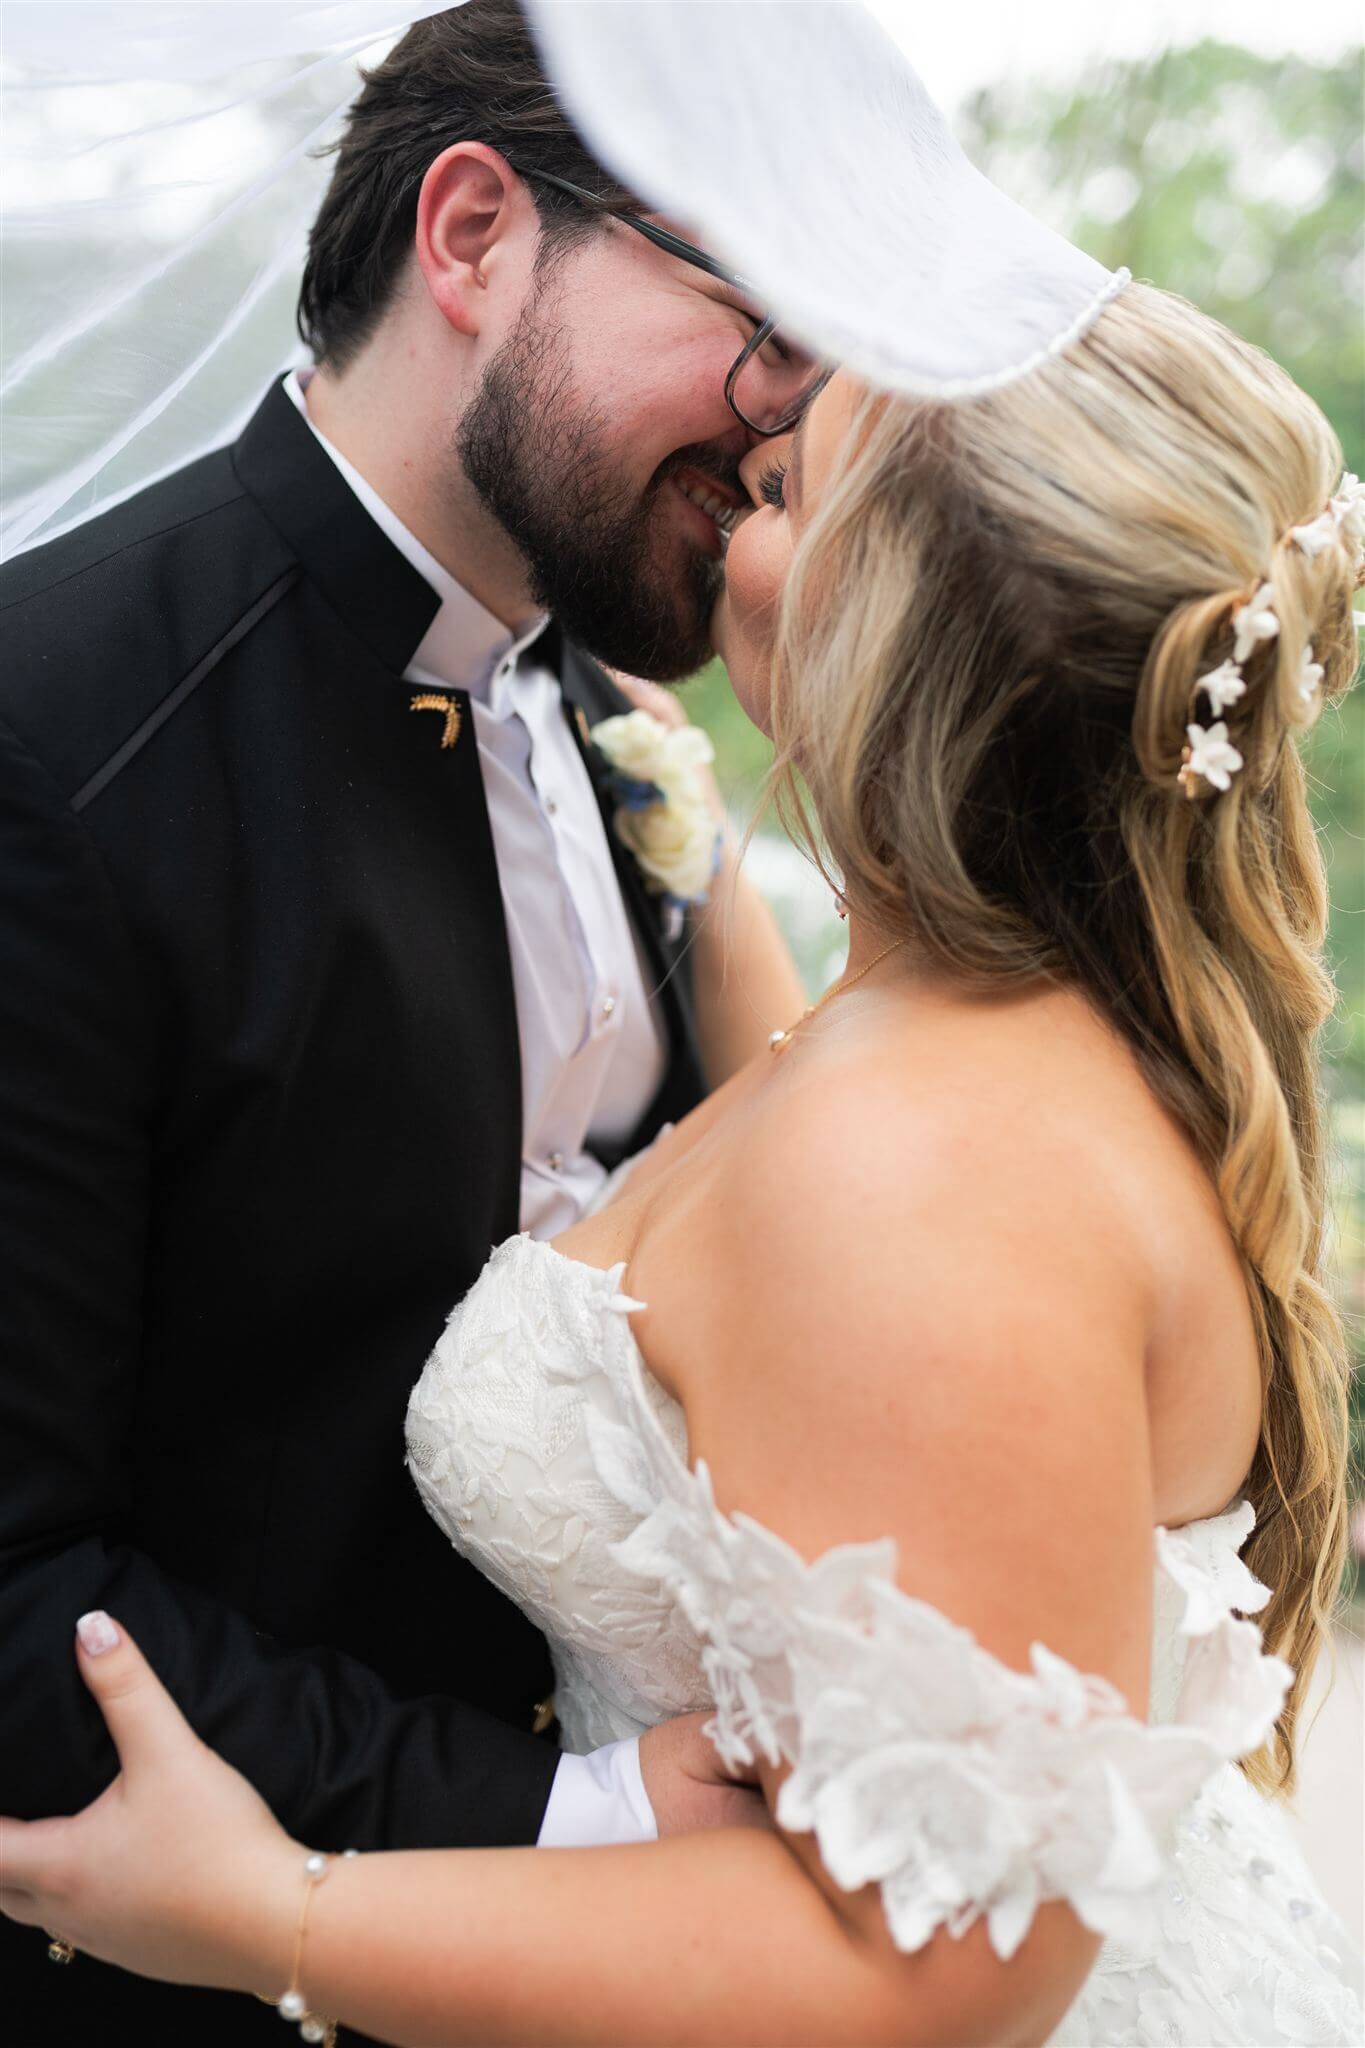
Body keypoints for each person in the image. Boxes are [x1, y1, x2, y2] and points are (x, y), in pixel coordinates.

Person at [5, 281, 1363, 2046]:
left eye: (785, 495)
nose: (733, 502)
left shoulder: (926, 1170)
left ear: (901, 625)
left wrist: (284, 1914)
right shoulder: (922, 1021)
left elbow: (938, 1972)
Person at [0, 5, 810, 2041]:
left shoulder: (614, 719)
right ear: (472, 237)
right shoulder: (50, 741)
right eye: (759, 309)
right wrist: (575, 1809)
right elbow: (12, 1590)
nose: (796, 410)